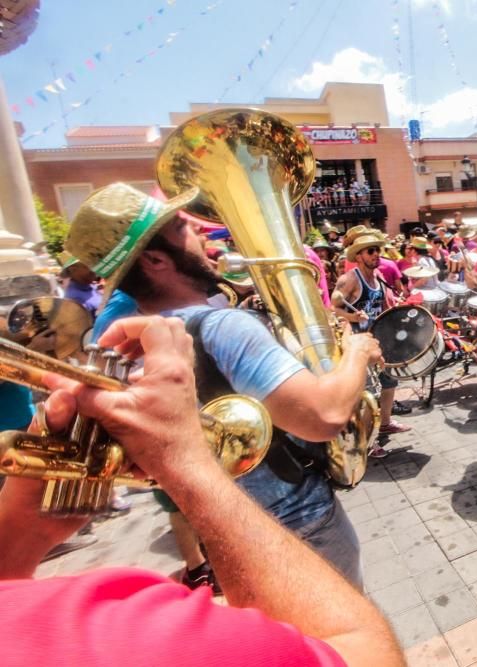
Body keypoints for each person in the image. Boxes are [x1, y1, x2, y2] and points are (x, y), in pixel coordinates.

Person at [0, 315, 404, 666]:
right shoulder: (118, 631)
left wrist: (19, 535)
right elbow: (364, 652)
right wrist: (187, 463)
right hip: (296, 522)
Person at [65, 183, 382, 589]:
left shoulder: (125, 344)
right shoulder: (221, 327)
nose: (200, 234)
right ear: (157, 259)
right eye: (183, 228)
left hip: (227, 537)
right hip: (301, 527)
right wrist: (356, 351)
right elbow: (323, 416)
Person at [332, 233, 413, 457]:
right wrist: (352, 317)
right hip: (358, 344)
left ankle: (385, 423)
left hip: (378, 339)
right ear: (358, 256)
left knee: (389, 383)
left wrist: (397, 306)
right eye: (371, 251)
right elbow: (334, 306)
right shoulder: (350, 279)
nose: (376, 254)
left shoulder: (377, 277)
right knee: (369, 393)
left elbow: (384, 304)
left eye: (377, 249)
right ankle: (367, 441)